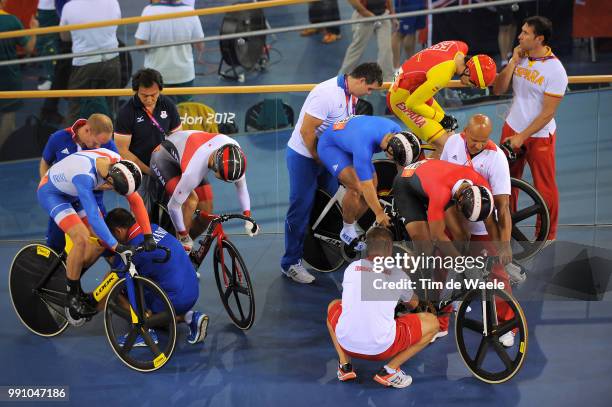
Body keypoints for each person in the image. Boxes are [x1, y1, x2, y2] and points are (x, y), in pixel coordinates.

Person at [281, 62, 383, 284]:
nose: (370, 94)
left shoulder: (352, 95)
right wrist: (321, 160)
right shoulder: (326, 94)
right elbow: (307, 132)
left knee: (333, 204)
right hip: (305, 155)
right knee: (301, 207)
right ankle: (290, 263)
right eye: (370, 89)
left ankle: (342, 238)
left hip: (327, 153)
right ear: (361, 80)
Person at [37, 148, 154, 324]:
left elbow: (136, 201)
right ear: (109, 181)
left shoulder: (118, 165)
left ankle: (73, 271)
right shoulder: (84, 175)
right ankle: (72, 292)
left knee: (101, 242)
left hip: (73, 191)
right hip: (53, 193)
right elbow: (93, 216)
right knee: (81, 239)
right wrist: (117, 246)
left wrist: (148, 236)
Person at [326, 226, 439, 388]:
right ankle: (390, 371)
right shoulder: (397, 274)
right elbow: (413, 304)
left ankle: (345, 366)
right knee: (432, 322)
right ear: (389, 248)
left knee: (334, 305)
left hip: (346, 343)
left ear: (368, 247)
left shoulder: (351, 268)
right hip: (381, 350)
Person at [440, 113, 515, 346]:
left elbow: (503, 209)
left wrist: (504, 245)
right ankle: (440, 320)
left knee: (496, 275)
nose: (478, 145)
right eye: (474, 140)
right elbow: (442, 177)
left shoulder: (497, 158)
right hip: (452, 218)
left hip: (482, 227)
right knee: (440, 267)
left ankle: (507, 324)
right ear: (465, 132)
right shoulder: (453, 143)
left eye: (483, 141)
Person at [493, 16, 567, 242]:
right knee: (505, 183)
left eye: (525, 33)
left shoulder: (556, 71)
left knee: (545, 187)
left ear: (539, 38)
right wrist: (513, 62)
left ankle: (546, 237)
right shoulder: (520, 58)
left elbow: (547, 113)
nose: (520, 36)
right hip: (512, 127)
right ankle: (506, 231)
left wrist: (522, 137)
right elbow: (498, 89)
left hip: (539, 136)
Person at [104, 208, 208, 346]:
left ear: (118, 231)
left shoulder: (130, 248)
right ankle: (190, 317)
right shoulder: (153, 227)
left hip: (174, 301)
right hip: (192, 291)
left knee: (115, 290)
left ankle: (142, 330)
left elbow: (113, 278)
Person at [317, 115, 421, 248]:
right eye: (391, 155)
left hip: (351, 138)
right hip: (331, 147)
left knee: (374, 186)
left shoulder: (398, 135)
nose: (388, 158)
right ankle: (347, 229)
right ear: (389, 146)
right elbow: (366, 186)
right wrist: (379, 213)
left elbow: (401, 167)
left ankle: (354, 223)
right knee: (357, 188)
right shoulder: (364, 146)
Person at [149, 130, 258, 251]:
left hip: (189, 153)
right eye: (223, 179)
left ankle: (185, 246)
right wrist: (183, 235)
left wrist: (248, 217)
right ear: (215, 167)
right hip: (164, 157)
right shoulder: (193, 172)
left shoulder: (234, 154)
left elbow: (241, 187)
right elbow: (173, 207)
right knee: (190, 201)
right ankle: (178, 249)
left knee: (207, 211)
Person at [387, 40, 497, 155]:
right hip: (401, 98)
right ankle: (424, 170)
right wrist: (441, 118)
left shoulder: (461, 46)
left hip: (411, 87)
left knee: (450, 133)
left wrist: (443, 119)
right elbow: (412, 104)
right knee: (446, 147)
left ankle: (432, 165)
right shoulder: (444, 73)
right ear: (468, 71)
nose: (471, 87)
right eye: (473, 83)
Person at [39, 113, 117, 252]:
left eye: (102, 144)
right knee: (56, 246)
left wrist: (95, 185)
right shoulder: (58, 138)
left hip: (93, 199)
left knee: (106, 247)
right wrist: (47, 185)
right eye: (96, 143)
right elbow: (45, 163)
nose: (98, 146)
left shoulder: (107, 143)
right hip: (62, 198)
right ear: (88, 130)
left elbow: (117, 176)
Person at [115, 68, 182, 217]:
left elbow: (178, 138)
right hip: (139, 171)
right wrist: (150, 171)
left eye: (154, 95)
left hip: (165, 169)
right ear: (136, 90)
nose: (150, 99)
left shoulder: (168, 104)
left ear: (160, 90)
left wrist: (171, 167)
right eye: (144, 95)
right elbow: (123, 151)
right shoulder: (126, 112)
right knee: (141, 215)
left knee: (170, 212)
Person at [59, 0, 122, 123]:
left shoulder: (69, 6)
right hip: (111, 60)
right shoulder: (112, 2)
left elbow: (64, 37)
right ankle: (112, 140)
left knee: (76, 110)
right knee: (111, 108)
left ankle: (74, 139)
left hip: (83, 63)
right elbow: (116, 26)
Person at [135, 0, 204, 104]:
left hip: (156, 73)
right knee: (185, 113)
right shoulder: (189, 10)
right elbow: (200, 45)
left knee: (158, 114)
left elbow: (139, 44)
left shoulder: (149, 11)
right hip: (184, 73)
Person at [0, 0, 37, 148]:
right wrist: (34, 29)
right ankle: (3, 151)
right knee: (9, 115)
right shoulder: (11, 21)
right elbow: (29, 48)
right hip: (9, 77)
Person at [338, 0, 395, 82]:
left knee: (386, 49)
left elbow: (388, 1)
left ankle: (387, 81)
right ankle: (342, 78)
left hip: (383, 15)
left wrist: (392, 16)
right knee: (357, 47)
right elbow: (358, 7)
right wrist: (374, 18)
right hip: (364, 17)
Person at [392, 0, 425, 72]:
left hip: (421, 3)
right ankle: (396, 68)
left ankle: (410, 64)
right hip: (406, 4)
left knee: (413, 30)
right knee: (399, 33)